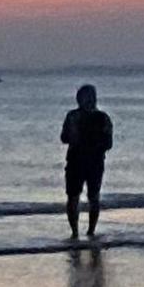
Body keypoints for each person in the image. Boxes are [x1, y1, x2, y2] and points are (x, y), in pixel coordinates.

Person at [59, 84, 113, 240]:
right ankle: (79, 231)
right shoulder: (98, 117)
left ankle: (87, 231)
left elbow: (108, 142)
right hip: (82, 161)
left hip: (88, 161)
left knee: (87, 197)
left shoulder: (92, 117)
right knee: (79, 197)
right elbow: (64, 137)